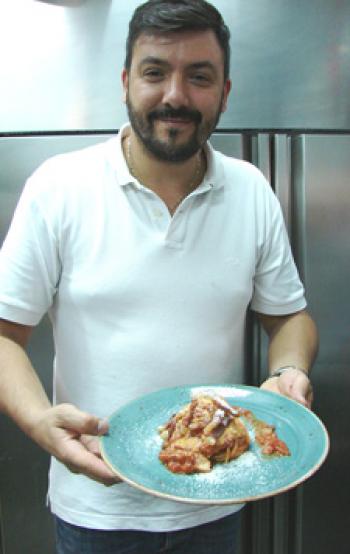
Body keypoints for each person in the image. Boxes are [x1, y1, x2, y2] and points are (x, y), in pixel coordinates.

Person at [0, 0, 317, 553]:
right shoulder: (59, 187)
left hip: (216, 500)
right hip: (96, 509)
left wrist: (288, 370)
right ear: (125, 82)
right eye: (155, 72)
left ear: (224, 92)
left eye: (199, 77)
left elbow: (288, 315)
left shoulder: (252, 190)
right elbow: (5, 334)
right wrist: (37, 421)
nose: (175, 96)